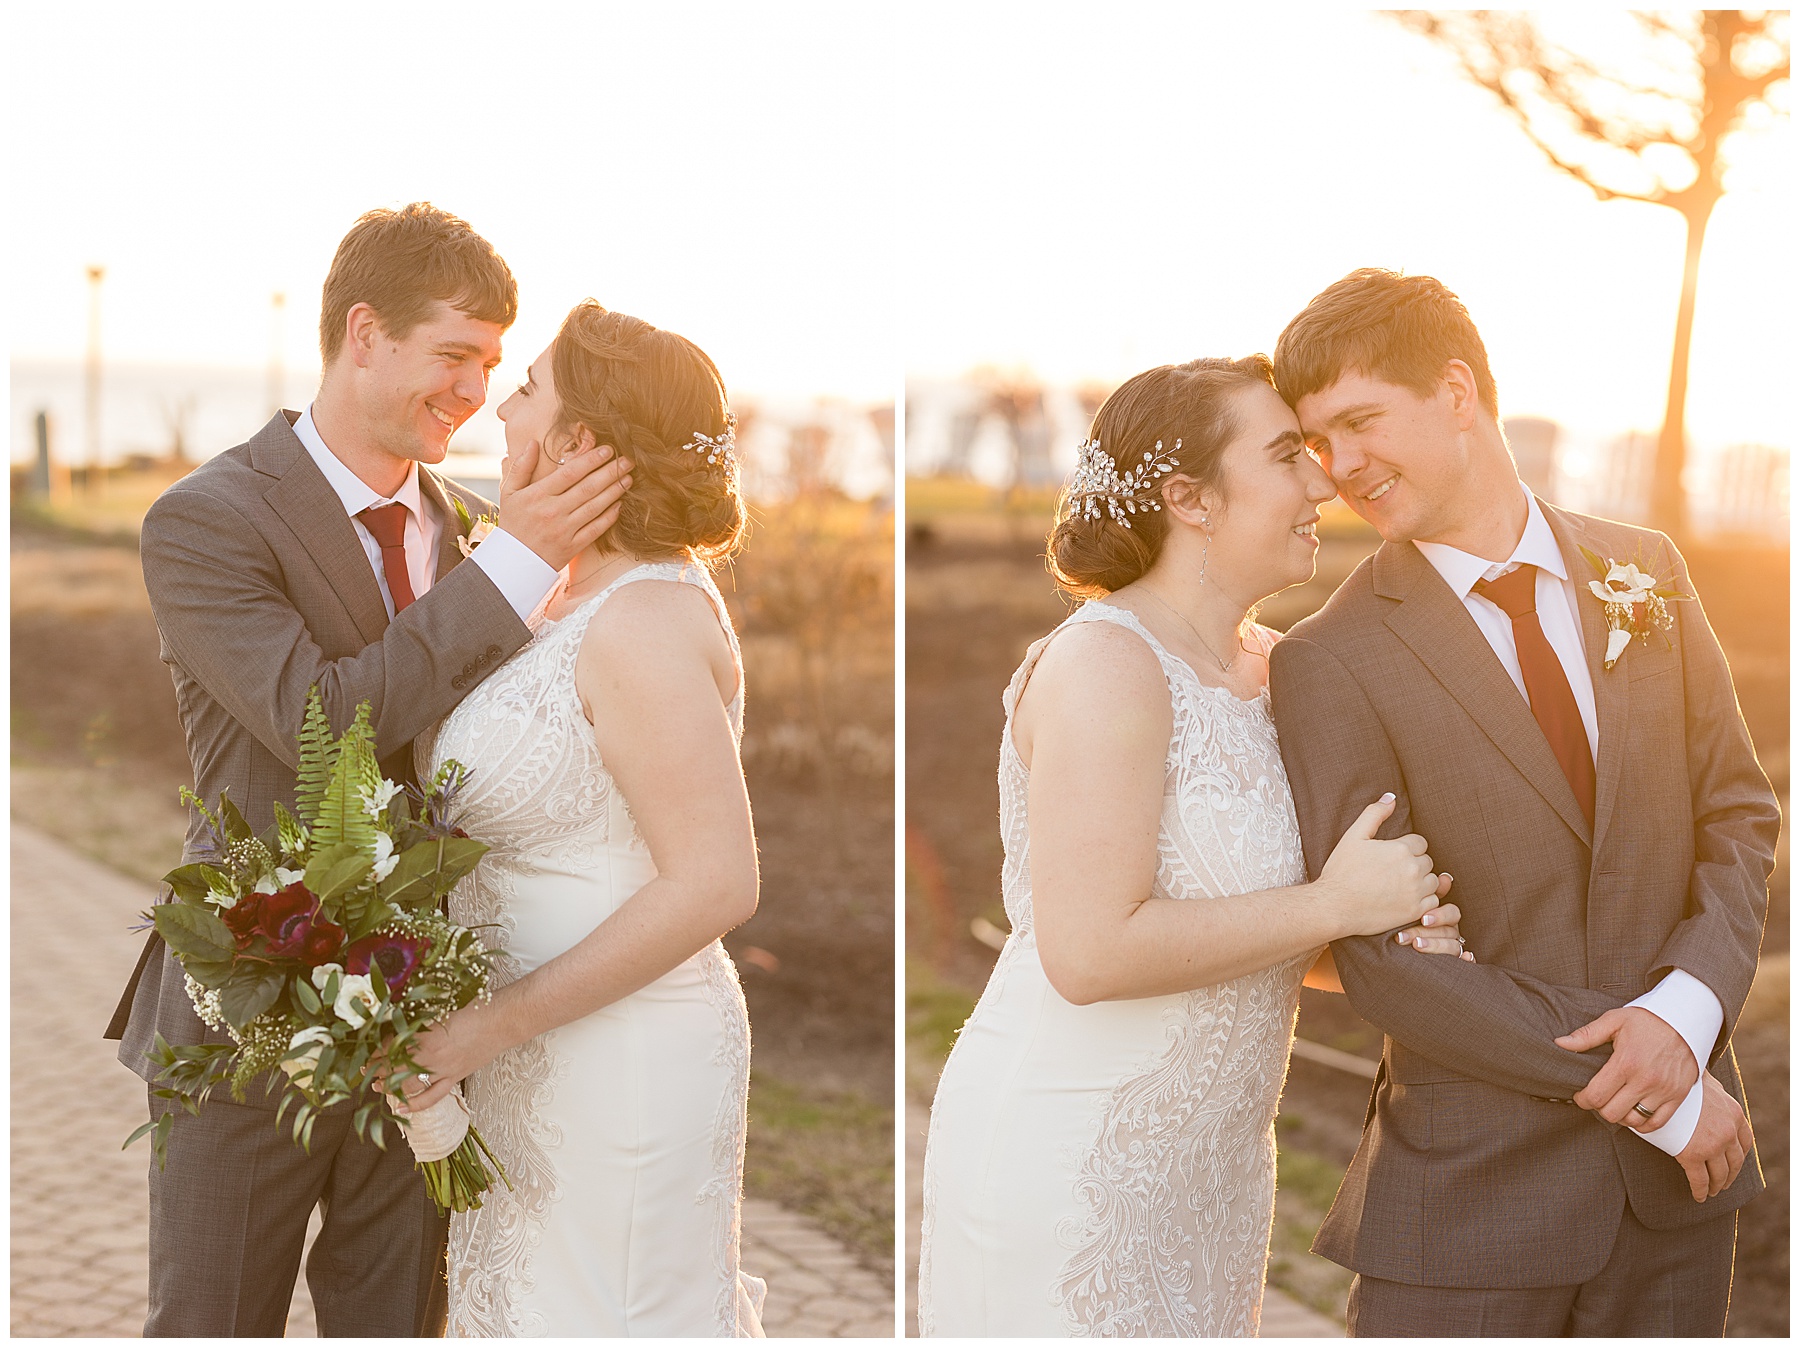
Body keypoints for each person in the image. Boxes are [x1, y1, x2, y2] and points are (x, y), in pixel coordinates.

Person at [106, 202, 630, 1336]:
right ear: (363, 333)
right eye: (453, 355)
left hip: (432, 1030)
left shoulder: (480, 528)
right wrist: (518, 567)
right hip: (248, 1018)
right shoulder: (206, 522)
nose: (475, 391)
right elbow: (320, 727)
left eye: (493, 364)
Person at [1267, 268, 1776, 1337]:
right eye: (1318, 441)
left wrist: (1684, 1016)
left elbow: (1738, 813)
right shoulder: (1332, 660)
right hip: (1470, 1213)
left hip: (1675, 1215)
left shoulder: (1646, 571)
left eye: (1360, 421)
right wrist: (1664, 1094)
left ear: (1457, 392)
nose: (1339, 467)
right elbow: (1383, 958)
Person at [917, 356, 1471, 1337]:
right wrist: (1337, 905)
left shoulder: (1276, 672)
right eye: (1288, 456)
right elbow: (1089, 954)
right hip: (1073, 1157)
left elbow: (1260, 932)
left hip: (1211, 1174)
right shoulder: (1108, 665)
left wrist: (1388, 933)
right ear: (1189, 498)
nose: (1321, 482)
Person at [402, 301, 765, 1337]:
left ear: (582, 442)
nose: (498, 411)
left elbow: (716, 881)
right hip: (525, 1061)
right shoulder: (551, 594)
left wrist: (484, 1027)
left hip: (622, 1067)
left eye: (526, 391)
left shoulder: (646, 617)